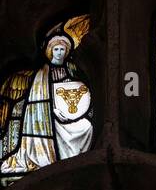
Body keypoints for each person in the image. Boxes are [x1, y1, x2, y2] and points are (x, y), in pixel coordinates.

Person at [0, 27, 92, 179]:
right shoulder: (40, 75)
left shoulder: (74, 72)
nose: (59, 52)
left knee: (87, 127)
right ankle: (43, 156)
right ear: (50, 51)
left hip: (69, 119)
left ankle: (75, 161)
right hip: (46, 119)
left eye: (62, 49)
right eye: (56, 49)